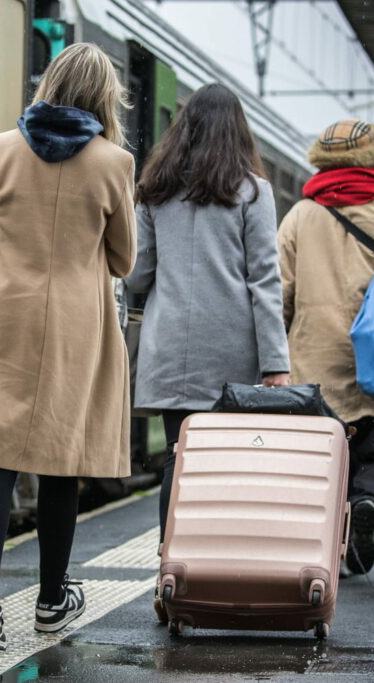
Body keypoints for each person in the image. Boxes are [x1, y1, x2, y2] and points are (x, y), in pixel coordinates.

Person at [0, 43, 136, 652]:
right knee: (59, 459)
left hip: (1, 317)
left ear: (48, 83)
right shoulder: (114, 163)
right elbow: (124, 258)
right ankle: (51, 602)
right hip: (77, 325)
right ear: (104, 95)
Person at [124, 83, 291, 547]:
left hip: (170, 347)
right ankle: (216, 560)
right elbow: (265, 281)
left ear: (184, 128)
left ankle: (169, 566)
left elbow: (137, 276)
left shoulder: (155, 190)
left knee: (179, 458)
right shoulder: (254, 193)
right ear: (238, 132)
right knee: (227, 461)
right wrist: (276, 362)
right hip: (231, 353)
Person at [278, 119, 374, 576]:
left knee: (328, 453)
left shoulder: (301, 214)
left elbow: (281, 290)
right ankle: (370, 503)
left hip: (316, 355)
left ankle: (332, 538)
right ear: (373, 158)